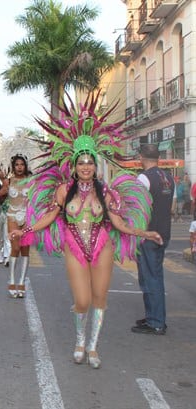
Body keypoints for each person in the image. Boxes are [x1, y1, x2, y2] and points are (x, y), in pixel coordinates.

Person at [12, 94, 161, 369]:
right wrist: (27, 229)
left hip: (102, 245)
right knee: (82, 300)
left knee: (100, 298)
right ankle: (79, 339)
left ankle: (92, 347)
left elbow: (118, 224)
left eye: (89, 162)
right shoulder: (63, 190)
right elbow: (50, 215)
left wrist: (144, 233)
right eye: (81, 162)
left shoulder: (106, 191)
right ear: (75, 165)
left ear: (94, 164)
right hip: (74, 246)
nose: (85, 167)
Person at [131, 144, 174, 336]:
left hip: (149, 233)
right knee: (154, 275)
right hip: (164, 231)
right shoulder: (168, 177)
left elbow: (137, 205)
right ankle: (153, 316)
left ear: (141, 157)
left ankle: (156, 322)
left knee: (150, 278)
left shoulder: (144, 177)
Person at [2, 154, 32, 298]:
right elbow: (0, 198)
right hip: (12, 216)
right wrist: (4, 188)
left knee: (25, 250)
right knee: (15, 247)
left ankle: (21, 282)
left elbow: (37, 199)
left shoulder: (32, 181)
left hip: (27, 217)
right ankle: (12, 280)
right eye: (17, 164)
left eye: (22, 164)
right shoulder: (8, 180)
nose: (19, 167)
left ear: (25, 166)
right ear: (13, 167)